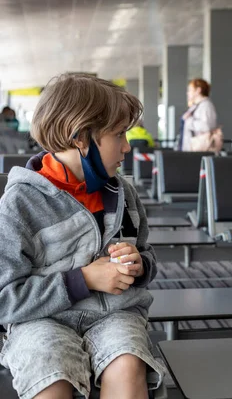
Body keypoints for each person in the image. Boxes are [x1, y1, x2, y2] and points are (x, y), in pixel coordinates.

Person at [0, 73, 166, 399]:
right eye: (119, 134)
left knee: (128, 363)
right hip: (41, 321)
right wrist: (84, 279)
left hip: (115, 315)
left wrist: (139, 265)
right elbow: (5, 299)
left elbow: (147, 253)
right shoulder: (19, 204)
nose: (128, 146)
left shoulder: (122, 193)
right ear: (80, 137)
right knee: (49, 378)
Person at [179, 78, 220, 152]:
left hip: (199, 149)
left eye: (190, 90)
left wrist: (189, 120)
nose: (188, 93)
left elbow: (206, 126)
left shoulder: (206, 106)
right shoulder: (196, 106)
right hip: (191, 148)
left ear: (198, 90)